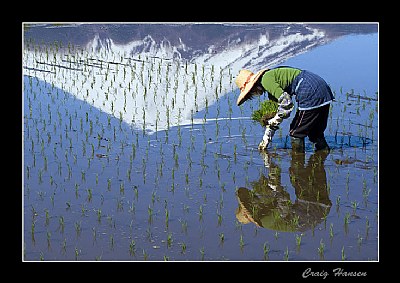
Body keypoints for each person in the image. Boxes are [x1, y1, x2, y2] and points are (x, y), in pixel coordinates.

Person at [235, 66, 334, 152]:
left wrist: (277, 119)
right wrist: (266, 138)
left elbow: (286, 103)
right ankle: (323, 154)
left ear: (253, 86)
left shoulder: (266, 81)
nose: (254, 94)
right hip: (322, 88)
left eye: (251, 92)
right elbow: (275, 115)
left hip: (309, 90)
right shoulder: (270, 78)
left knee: (296, 132)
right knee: (315, 132)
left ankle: (298, 164)